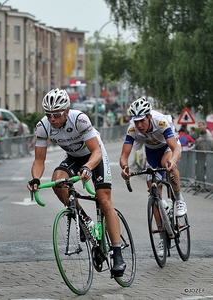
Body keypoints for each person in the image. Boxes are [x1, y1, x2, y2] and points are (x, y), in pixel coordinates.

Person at [27, 88, 126, 276]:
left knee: (104, 200)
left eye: (56, 114)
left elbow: (96, 151)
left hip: (95, 156)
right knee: (58, 181)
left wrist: (88, 167)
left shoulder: (79, 119)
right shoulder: (43, 126)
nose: (52, 119)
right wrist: (35, 179)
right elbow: (39, 160)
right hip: (74, 157)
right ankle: (83, 218)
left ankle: (118, 252)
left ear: (66, 111)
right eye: (48, 115)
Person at [119, 97, 187, 216]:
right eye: (136, 121)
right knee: (153, 192)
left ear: (149, 117)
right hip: (152, 152)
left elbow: (175, 148)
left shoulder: (160, 121)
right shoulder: (132, 128)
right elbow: (124, 155)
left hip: (168, 147)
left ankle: (179, 199)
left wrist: (173, 161)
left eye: (142, 121)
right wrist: (125, 167)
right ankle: (162, 230)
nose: (139, 125)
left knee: (166, 163)